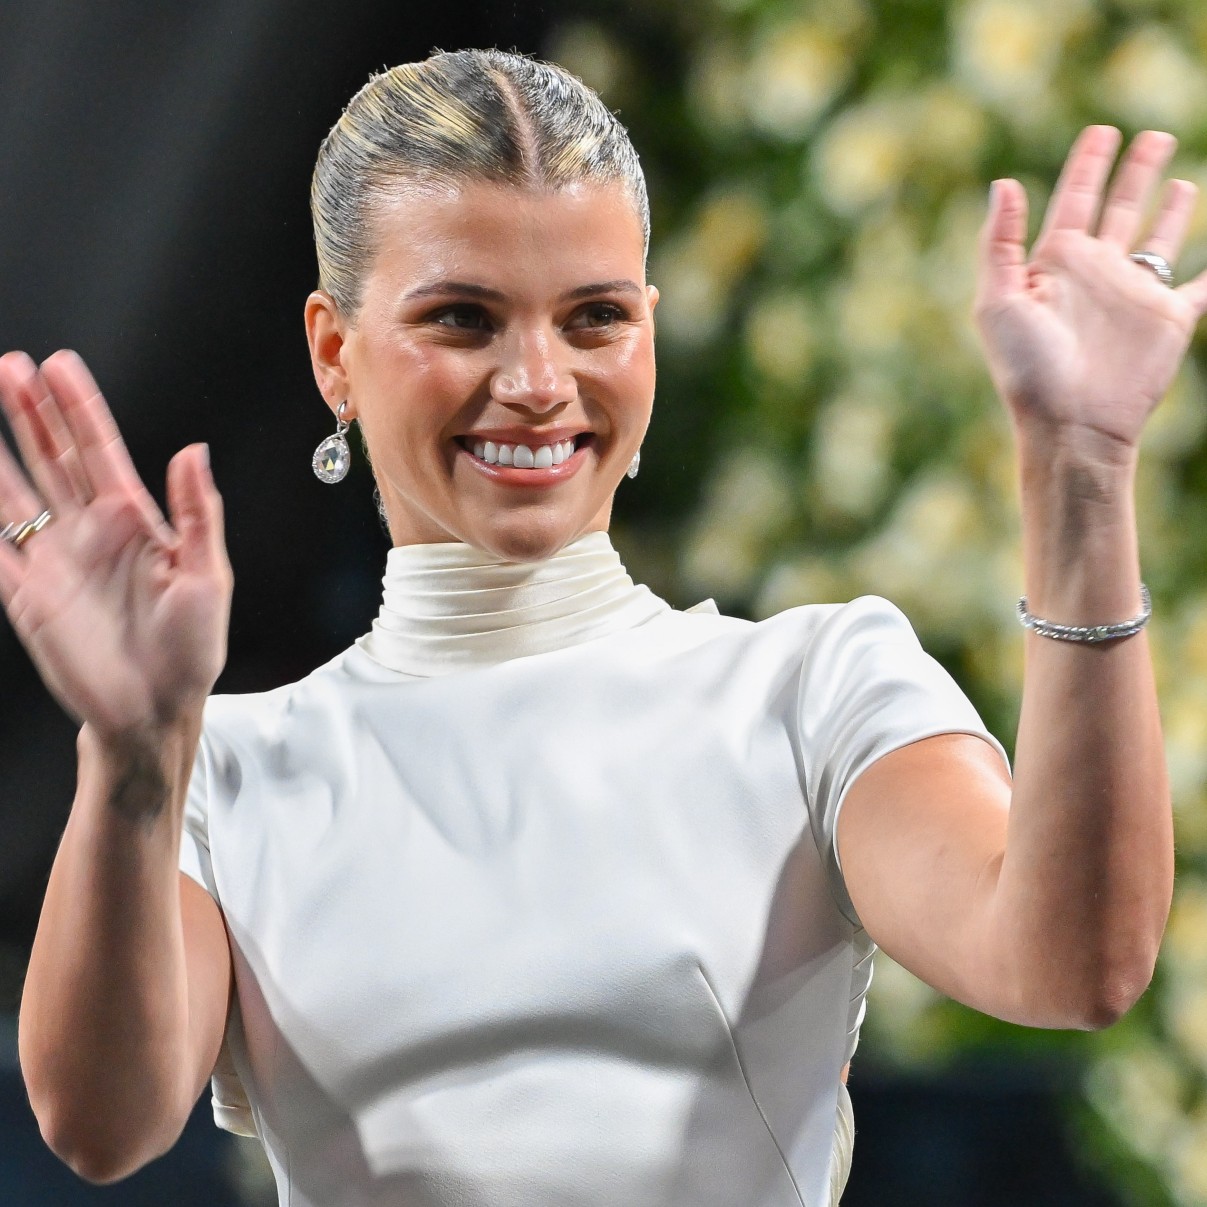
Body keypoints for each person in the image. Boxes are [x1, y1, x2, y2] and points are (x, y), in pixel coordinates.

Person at [4, 47, 1202, 1207]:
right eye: (464, 319)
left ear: (649, 330)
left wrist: (1079, 473)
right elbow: (101, 1125)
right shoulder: (219, 767)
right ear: (335, 353)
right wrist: (130, 753)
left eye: (592, 318)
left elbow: (1070, 965)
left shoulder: (816, 689)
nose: (537, 379)